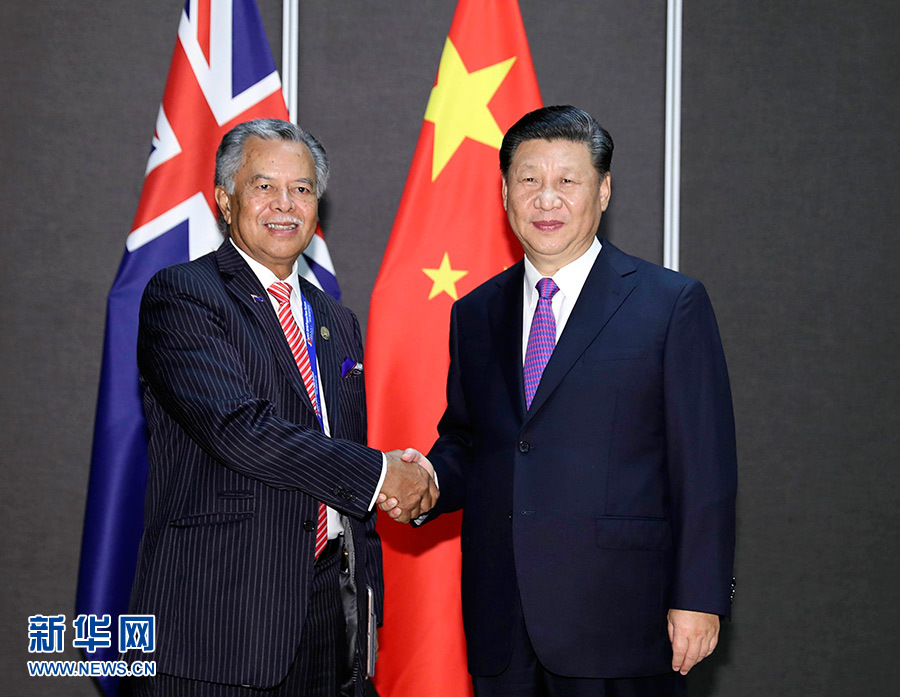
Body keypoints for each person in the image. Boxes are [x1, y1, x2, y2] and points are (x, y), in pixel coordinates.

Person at [382, 105, 737, 696]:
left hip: (620, 617)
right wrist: (431, 481)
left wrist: (699, 595)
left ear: (603, 191)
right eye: (529, 179)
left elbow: (705, 465)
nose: (546, 199)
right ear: (504, 192)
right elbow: (471, 440)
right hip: (502, 619)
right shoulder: (475, 312)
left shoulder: (669, 304)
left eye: (567, 180)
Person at [122, 118, 437, 697]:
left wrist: (398, 498)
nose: (285, 204)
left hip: (327, 619)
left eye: (302, 188)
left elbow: (336, 455)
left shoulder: (337, 320)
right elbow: (239, 430)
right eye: (264, 186)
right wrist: (381, 474)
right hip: (217, 622)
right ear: (225, 200)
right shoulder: (184, 295)